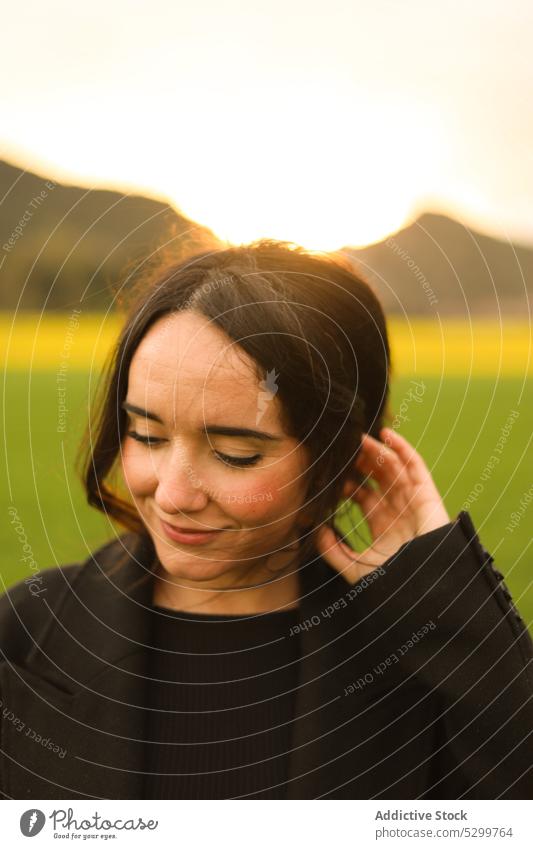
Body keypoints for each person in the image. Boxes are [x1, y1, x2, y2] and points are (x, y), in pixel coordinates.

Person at [1, 240, 531, 800]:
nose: (175, 493)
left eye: (235, 453)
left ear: (333, 457)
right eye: (147, 435)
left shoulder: (424, 661)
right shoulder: (27, 631)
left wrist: (445, 598)